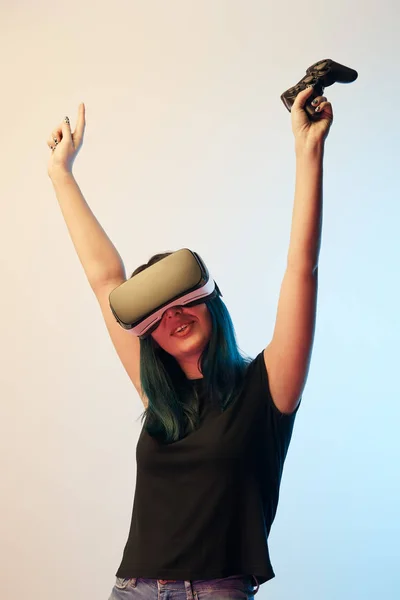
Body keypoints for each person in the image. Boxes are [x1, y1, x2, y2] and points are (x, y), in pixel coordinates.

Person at [47, 85, 333, 599]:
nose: (173, 316)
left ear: (210, 303)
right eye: (156, 314)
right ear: (148, 333)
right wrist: (61, 173)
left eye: (184, 299)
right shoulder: (158, 393)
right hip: (131, 590)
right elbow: (105, 280)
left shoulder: (267, 389)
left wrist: (307, 150)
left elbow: (301, 270)